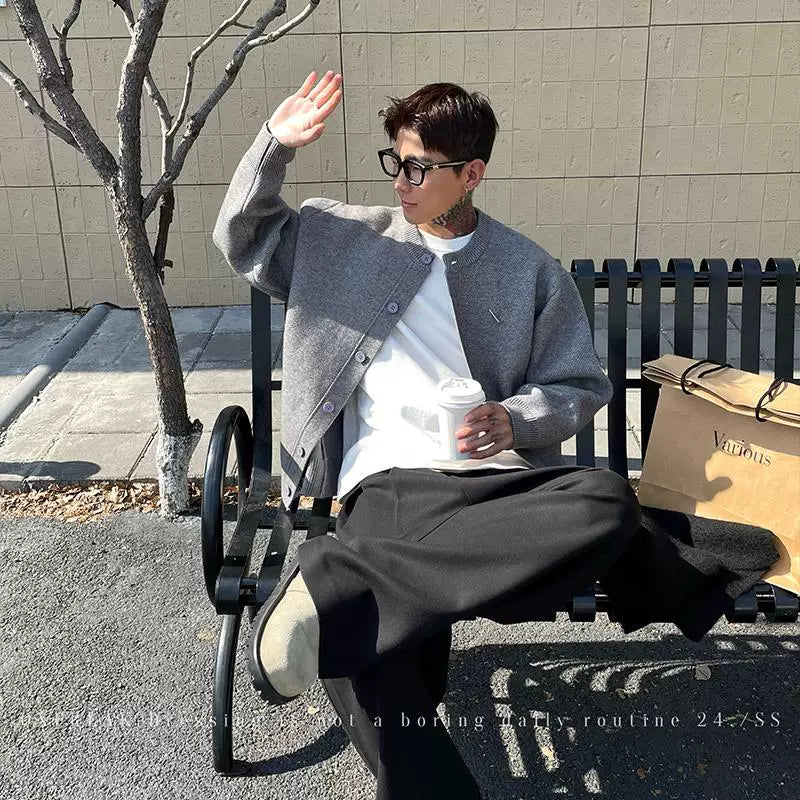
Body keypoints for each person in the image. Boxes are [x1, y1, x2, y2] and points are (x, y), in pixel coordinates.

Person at [212, 70, 641, 799]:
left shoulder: (528, 269)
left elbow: (580, 385)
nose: (401, 182)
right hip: (388, 481)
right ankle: (350, 595)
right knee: (381, 659)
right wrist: (273, 146)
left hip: (495, 485)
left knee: (608, 500)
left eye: (420, 167)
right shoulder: (339, 236)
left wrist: (516, 417)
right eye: (396, 162)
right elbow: (241, 237)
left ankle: (340, 580)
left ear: (472, 174)